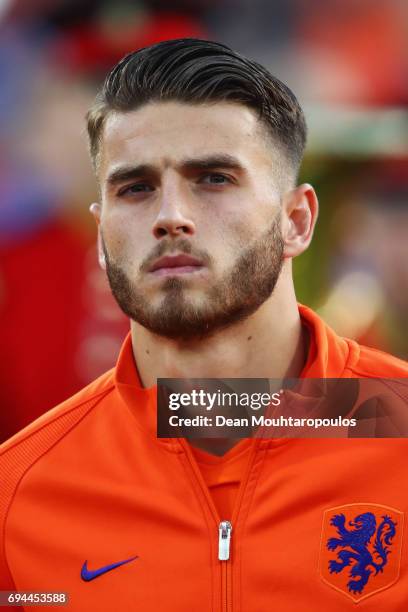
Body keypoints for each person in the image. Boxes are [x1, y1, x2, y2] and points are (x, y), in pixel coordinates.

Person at [1, 39, 407, 611]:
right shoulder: (19, 493)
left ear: (296, 220)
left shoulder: (397, 427)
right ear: (100, 235)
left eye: (213, 178)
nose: (171, 216)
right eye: (136, 188)